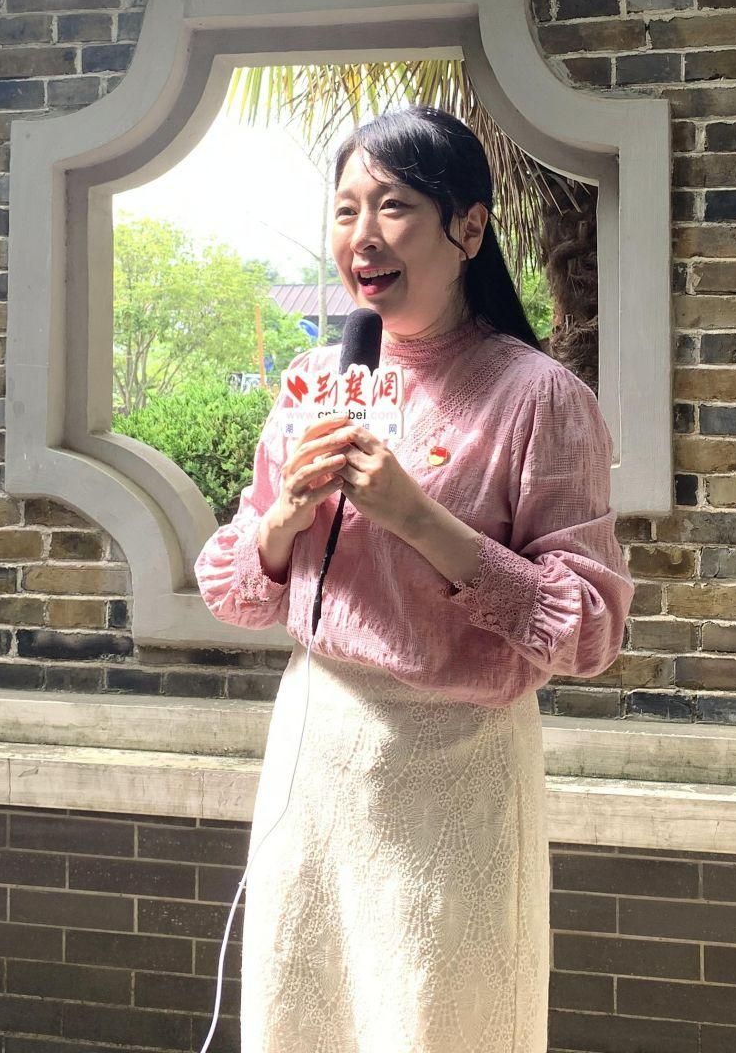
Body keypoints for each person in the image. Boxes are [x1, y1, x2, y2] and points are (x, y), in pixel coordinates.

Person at [193, 105, 633, 1053]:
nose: (363, 234)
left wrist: (417, 517)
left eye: (393, 206)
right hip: (315, 749)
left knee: (437, 1022)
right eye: (346, 209)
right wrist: (284, 516)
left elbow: (589, 630)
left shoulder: (540, 397)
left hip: (455, 769)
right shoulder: (313, 380)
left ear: (469, 228)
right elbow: (235, 588)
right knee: (303, 1021)